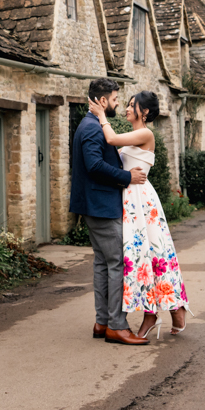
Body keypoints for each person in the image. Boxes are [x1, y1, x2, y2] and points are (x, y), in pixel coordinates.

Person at [88, 90, 192, 338]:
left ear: (144, 112)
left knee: (156, 254)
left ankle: (172, 308)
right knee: (139, 258)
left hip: (142, 200)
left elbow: (111, 139)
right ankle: (152, 310)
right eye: (126, 104)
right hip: (129, 200)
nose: (126, 108)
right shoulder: (133, 134)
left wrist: (101, 115)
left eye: (132, 105)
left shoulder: (146, 133)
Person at [70, 78, 149, 346]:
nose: (117, 103)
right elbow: (94, 166)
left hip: (95, 205)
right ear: (103, 101)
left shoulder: (89, 124)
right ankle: (117, 325)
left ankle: (102, 322)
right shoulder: (93, 128)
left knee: (103, 263)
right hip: (102, 207)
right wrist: (127, 177)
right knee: (117, 264)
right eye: (115, 99)